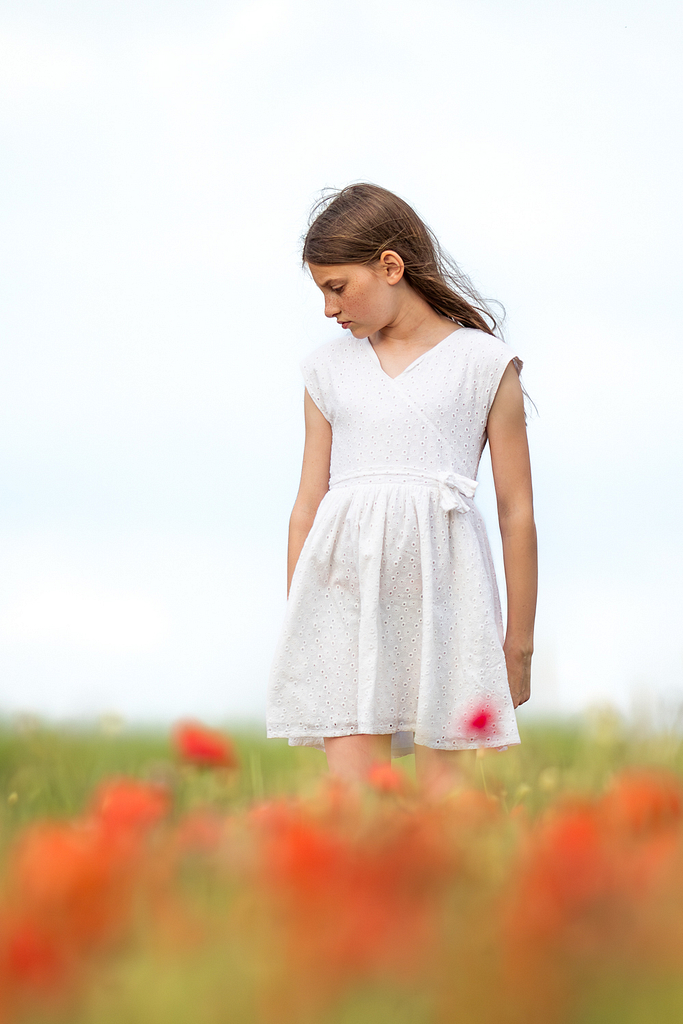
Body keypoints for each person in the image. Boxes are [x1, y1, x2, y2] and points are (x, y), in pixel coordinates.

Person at [267, 183, 537, 797]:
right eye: (322, 293)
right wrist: (300, 621)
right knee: (358, 807)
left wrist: (517, 644)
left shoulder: (484, 363)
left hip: (448, 599)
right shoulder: (326, 370)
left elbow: (516, 511)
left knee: (450, 805)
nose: (330, 310)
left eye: (337, 287)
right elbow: (307, 503)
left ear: (391, 266)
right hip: (343, 600)